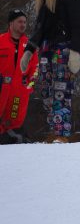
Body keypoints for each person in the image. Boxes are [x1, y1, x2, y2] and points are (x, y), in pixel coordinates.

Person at [20, 0, 80, 143]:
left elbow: (77, 25)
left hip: (64, 49)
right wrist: (30, 49)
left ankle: (61, 134)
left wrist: (75, 51)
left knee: (60, 92)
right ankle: (54, 128)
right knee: (46, 92)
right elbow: (40, 27)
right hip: (46, 50)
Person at [0, 10, 39, 143]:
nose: (23, 25)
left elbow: (35, 69)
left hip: (19, 92)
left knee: (14, 122)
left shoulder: (30, 45)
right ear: (11, 23)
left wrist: (29, 87)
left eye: (24, 22)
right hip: (2, 88)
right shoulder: (1, 41)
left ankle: (11, 139)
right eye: (19, 22)